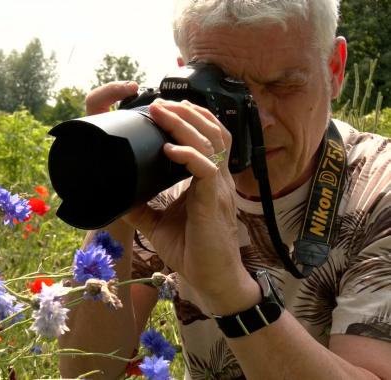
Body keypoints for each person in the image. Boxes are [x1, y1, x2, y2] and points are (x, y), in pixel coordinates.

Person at [58, 1, 391, 379]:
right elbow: (87, 369)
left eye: (284, 84)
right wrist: (117, 187)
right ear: (185, 76)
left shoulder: (379, 190)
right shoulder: (175, 176)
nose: (260, 120)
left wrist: (231, 294)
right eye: (228, 94)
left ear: (333, 69)